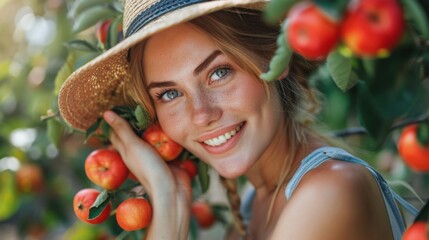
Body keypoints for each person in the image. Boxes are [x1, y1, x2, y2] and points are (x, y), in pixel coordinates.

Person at [58, 0, 418, 239]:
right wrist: (166, 194)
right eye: (169, 94)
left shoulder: (330, 193)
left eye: (219, 73)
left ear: (274, 59)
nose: (202, 114)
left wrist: (167, 215)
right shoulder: (254, 202)